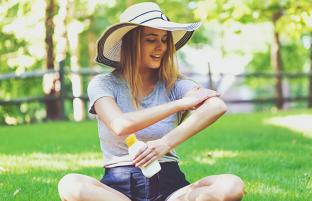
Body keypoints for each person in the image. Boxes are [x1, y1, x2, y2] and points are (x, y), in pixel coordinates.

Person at [58, 2, 244, 201]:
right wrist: (179, 104)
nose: (160, 47)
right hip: (118, 191)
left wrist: (164, 144)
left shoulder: (175, 85)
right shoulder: (103, 84)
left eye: (164, 40)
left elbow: (217, 106)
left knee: (231, 185)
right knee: (70, 184)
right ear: (130, 42)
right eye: (151, 39)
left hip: (171, 189)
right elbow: (120, 124)